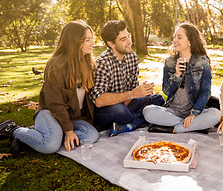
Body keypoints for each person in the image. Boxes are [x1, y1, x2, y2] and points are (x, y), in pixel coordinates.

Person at [0, 20, 99, 154]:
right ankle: (13, 129)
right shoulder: (55, 65)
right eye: (88, 40)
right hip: (50, 112)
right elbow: (55, 103)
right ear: (74, 41)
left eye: (92, 39)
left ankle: (41, 135)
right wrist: (69, 131)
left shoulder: (90, 64)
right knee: (50, 146)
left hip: (72, 117)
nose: (93, 43)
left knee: (91, 136)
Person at [89, 20, 164, 136]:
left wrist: (141, 92)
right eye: (123, 39)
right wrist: (133, 94)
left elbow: (133, 90)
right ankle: (135, 121)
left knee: (158, 99)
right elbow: (98, 101)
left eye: (128, 36)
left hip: (127, 104)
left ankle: (128, 125)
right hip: (107, 110)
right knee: (120, 111)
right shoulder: (102, 63)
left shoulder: (132, 57)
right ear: (111, 44)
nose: (129, 42)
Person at [142, 22, 221, 133]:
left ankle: (175, 129)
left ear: (190, 42)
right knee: (148, 111)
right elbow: (166, 90)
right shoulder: (170, 62)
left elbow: (205, 92)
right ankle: (193, 126)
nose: (175, 40)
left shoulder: (202, 62)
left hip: (194, 111)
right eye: (175, 37)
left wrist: (194, 114)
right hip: (173, 111)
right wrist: (177, 75)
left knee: (216, 114)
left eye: (179, 37)